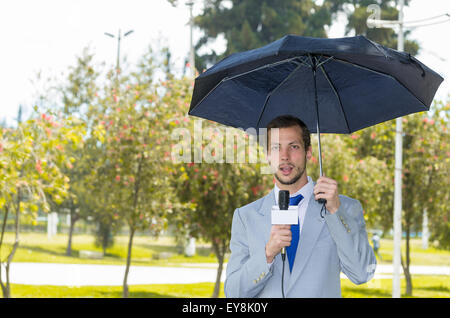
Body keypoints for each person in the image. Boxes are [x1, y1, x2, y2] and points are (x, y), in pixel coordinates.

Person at [224, 115, 376, 298]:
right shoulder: (246, 216)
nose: (284, 156)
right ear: (267, 156)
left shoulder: (345, 208)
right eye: (275, 148)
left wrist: (336, 211)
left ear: (309, 152)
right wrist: (267, 254)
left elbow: (363, 274)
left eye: (293, 147)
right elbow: (233, 294)